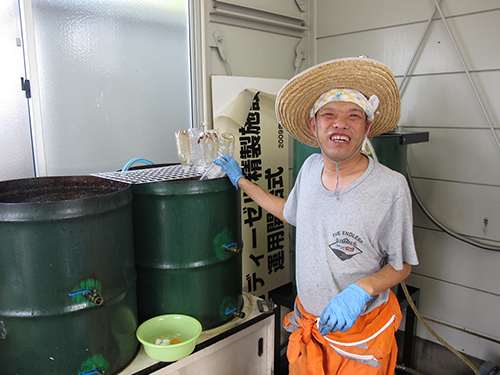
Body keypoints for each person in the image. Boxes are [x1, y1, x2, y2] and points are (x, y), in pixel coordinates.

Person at [214, 57, 419, 375]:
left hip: (360, 341)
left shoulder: (391, 188)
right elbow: (289, 211)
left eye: (354, 116)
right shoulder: (309, 169)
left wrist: (360, 290)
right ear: (314, 125)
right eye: (329, 114)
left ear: (368, 127)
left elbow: (400, 265)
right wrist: (241, 181)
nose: (340, 123)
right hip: (309, 330)